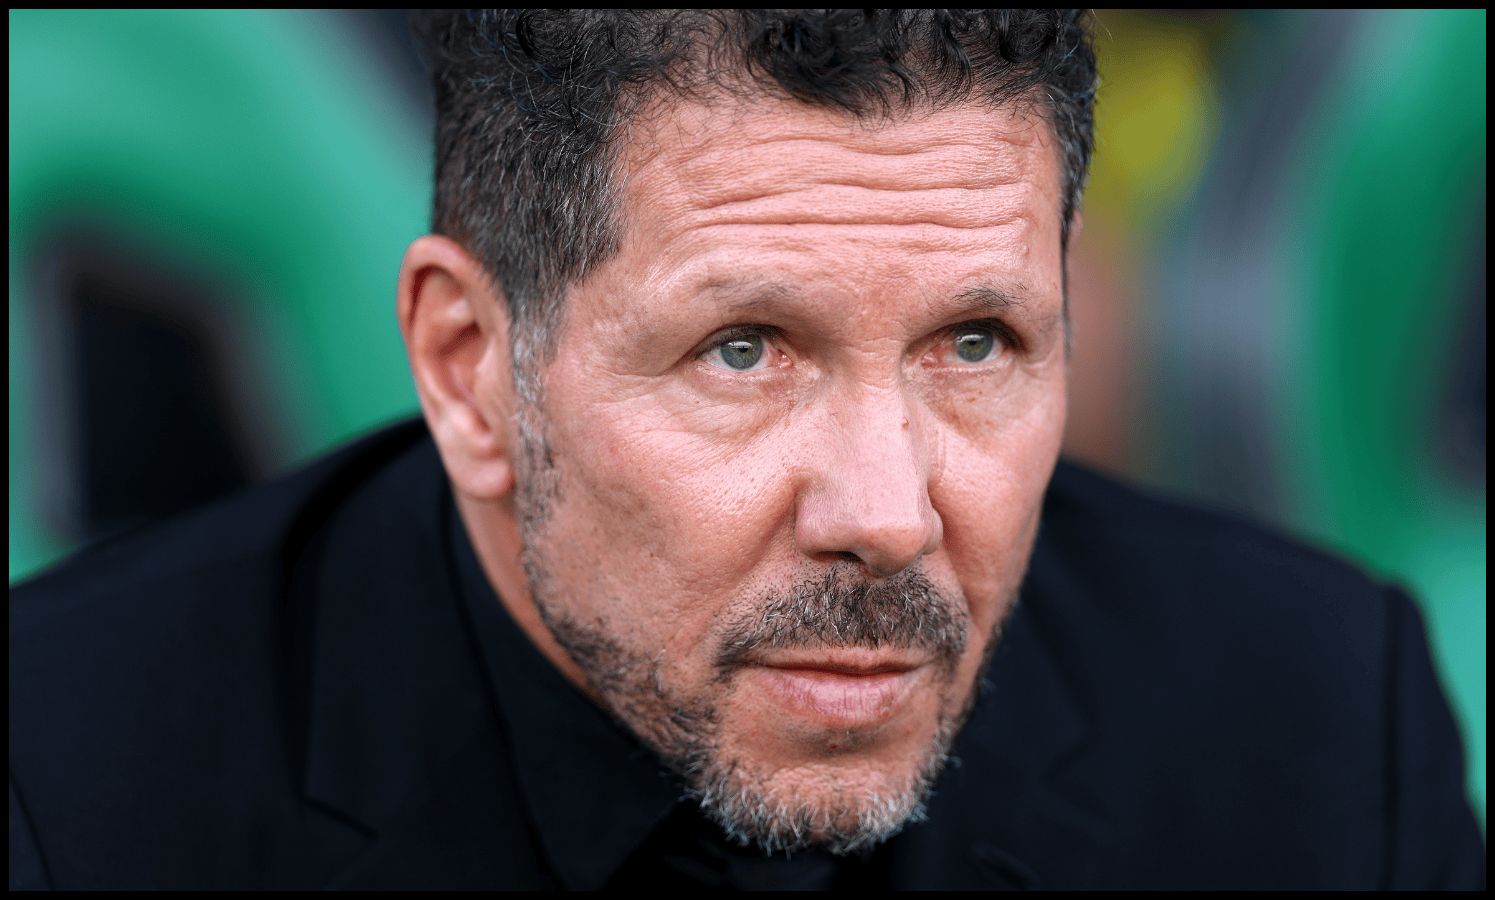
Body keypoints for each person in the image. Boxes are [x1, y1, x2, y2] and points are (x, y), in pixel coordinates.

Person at [8, 10, 1484, 890]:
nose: (888, 513)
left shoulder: (1317, 735)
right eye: (745, 352)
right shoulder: (69, 786)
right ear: (469, 367)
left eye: (976, 343)